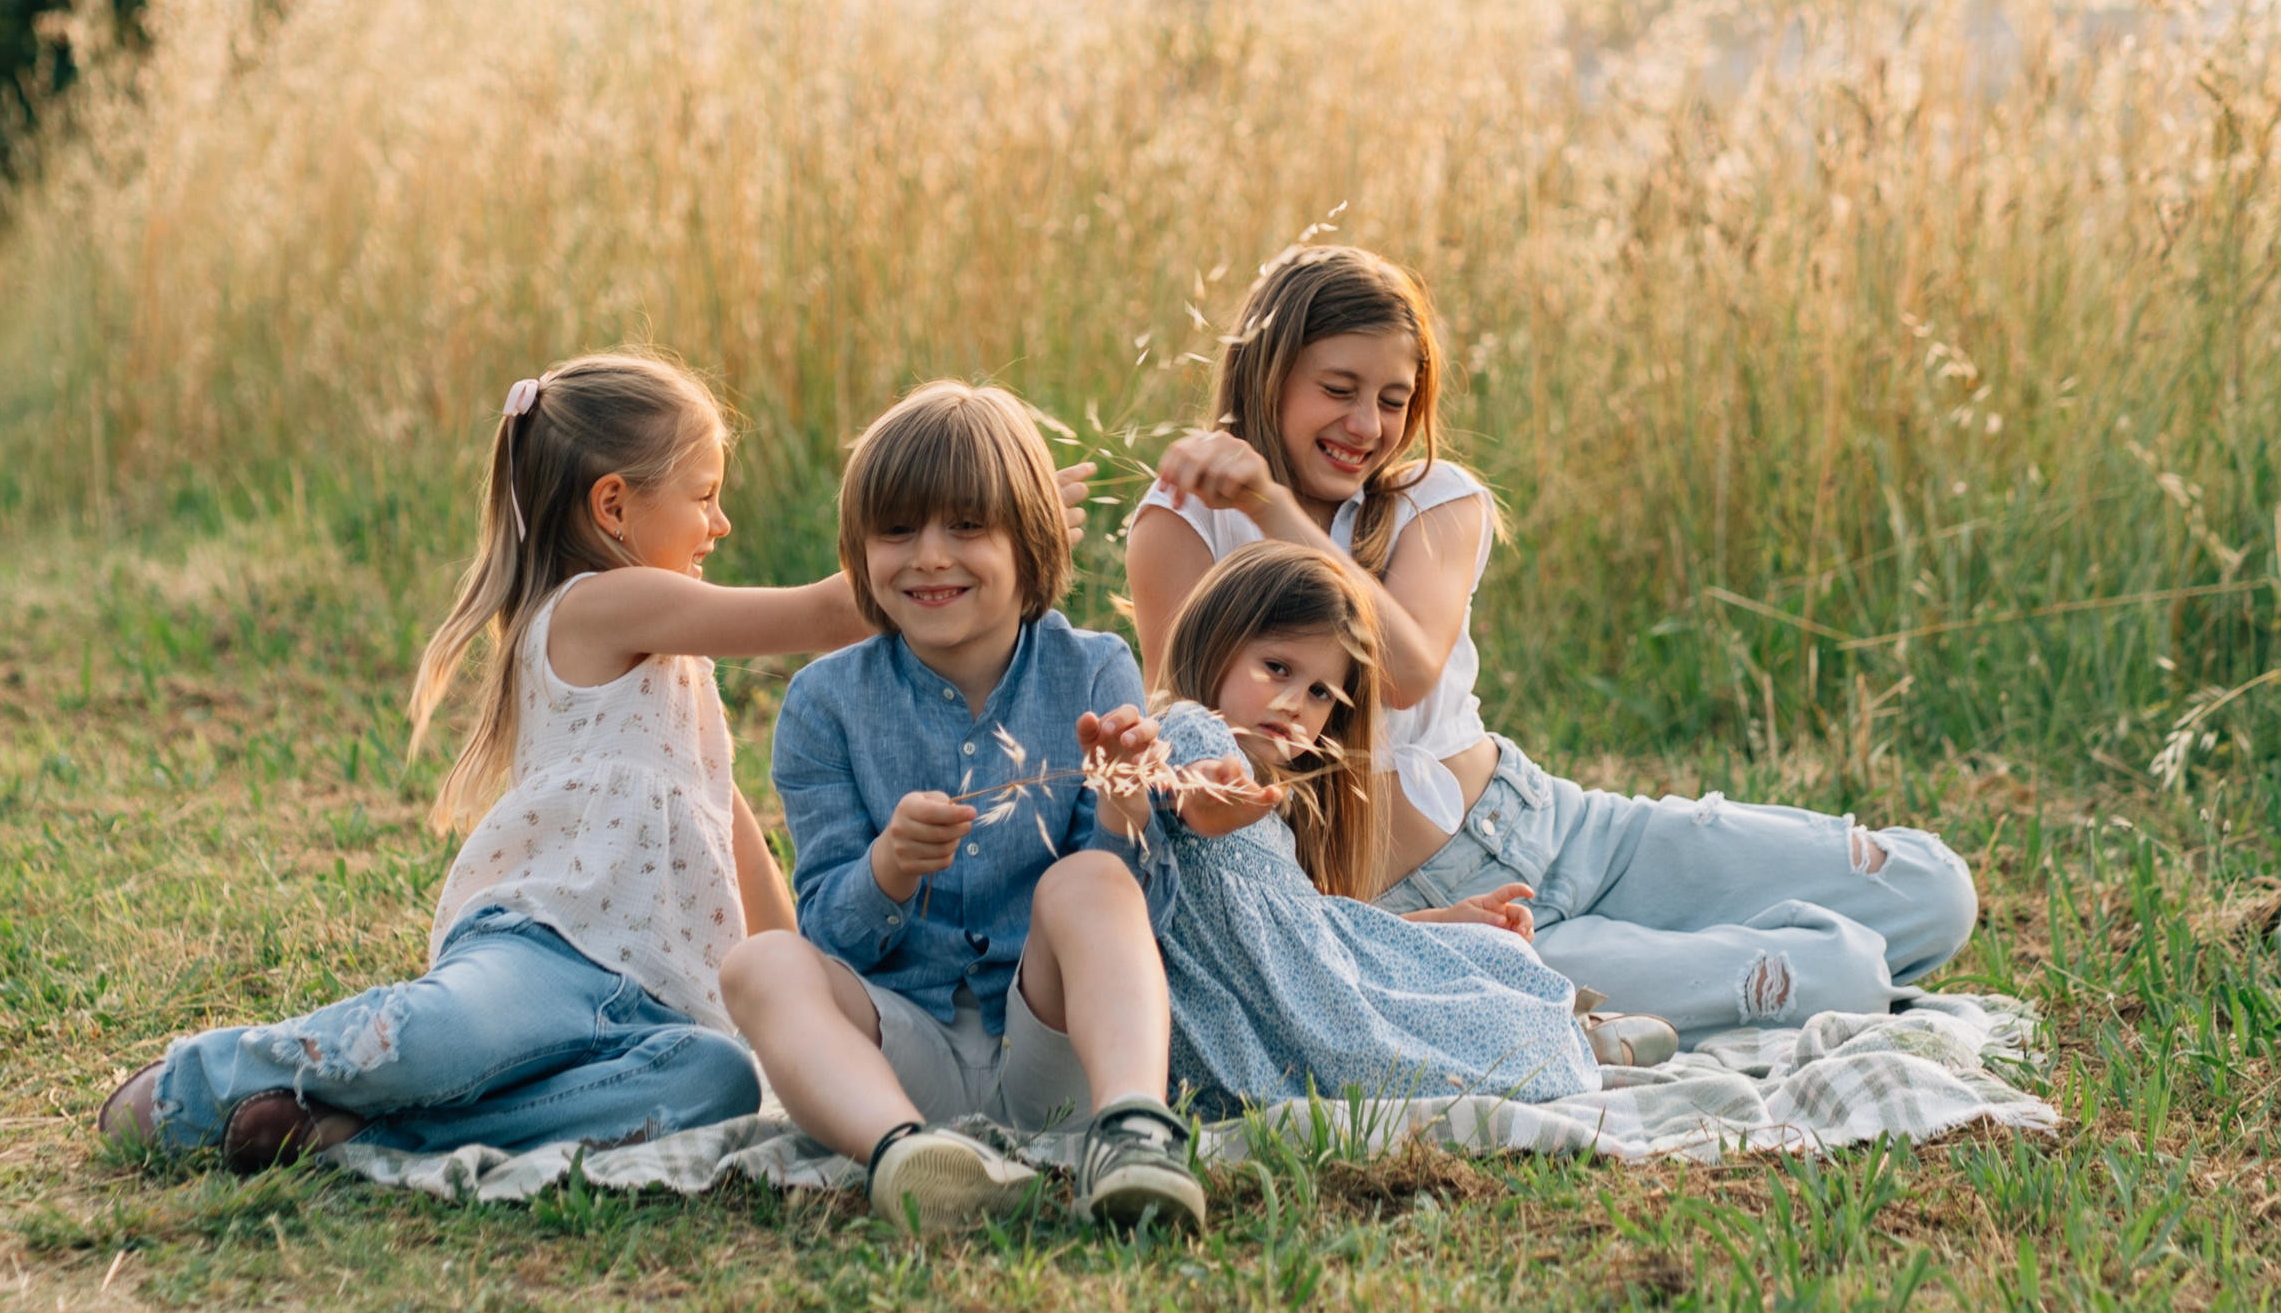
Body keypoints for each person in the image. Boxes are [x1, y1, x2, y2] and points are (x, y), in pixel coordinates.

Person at [1126, 246, 1979, 1043]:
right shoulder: (1181, 529)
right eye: (1338, 389)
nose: (1367, 425)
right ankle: (1693, 965)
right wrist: (1265, 506)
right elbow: (1202, 759)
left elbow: (1410, 667)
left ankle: (1699, 942)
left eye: (1393, 400)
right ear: (1269, 376)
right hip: (1442, 921)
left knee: (1934, 892)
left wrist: (1273, 505)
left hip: (1556, 827)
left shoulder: (1433, 499)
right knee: (1835, 973)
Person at [98, 353, 899, 1169]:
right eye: (704, 497)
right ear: (614, 506)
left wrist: (809, 989)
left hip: (658, 1009)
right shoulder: (597, 605)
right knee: (441, 1040)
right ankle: (193, 1082)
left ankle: (353, 1135)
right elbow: (830, 611)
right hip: (544, 953)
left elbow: (733, 838)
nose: (721, 523)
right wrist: (1005, 514)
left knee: (720, 1081)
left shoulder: (681, 687)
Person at [721, 382, 1207, 1236]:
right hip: (897, 1058)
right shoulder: (825, 703)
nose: (929, 558)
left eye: (967, 527)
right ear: (858, 549)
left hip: (1051, 1047)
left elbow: (1126, 911)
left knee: (1089, 876)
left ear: (1032, 539)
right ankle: (906, 1157)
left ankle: (1133, 1131)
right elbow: (829, 934)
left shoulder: (1094, 670)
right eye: (898, 531)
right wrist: (889, 868)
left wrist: (1125, 811)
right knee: (759, 964)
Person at [1149, 541, 1604, 1113]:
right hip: (1275, 1029)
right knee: (1443, 1035)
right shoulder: (1190, 727)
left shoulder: (1274, 819)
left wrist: (1440, 923)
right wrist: (1211, 798)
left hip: (1308, 1001)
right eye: (1277, 668)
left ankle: (1573, 1038)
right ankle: (1581, 1045)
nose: (1294, 704)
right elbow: (1191, 790)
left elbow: (1318, 936)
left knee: (1494, 956)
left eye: (1320, 693)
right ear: (1216, 643)